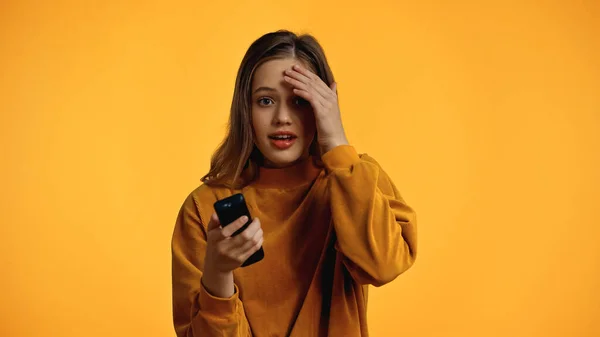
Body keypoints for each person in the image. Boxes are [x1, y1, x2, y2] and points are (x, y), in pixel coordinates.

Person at [171, 29, 418, 337]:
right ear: (245, 110)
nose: (282, 117)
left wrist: (336, 140)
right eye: (265, 101)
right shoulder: (204, 207)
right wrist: (218, 272)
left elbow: (383, 266)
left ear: (324, 104)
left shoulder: (353, 178)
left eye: (300, 101)